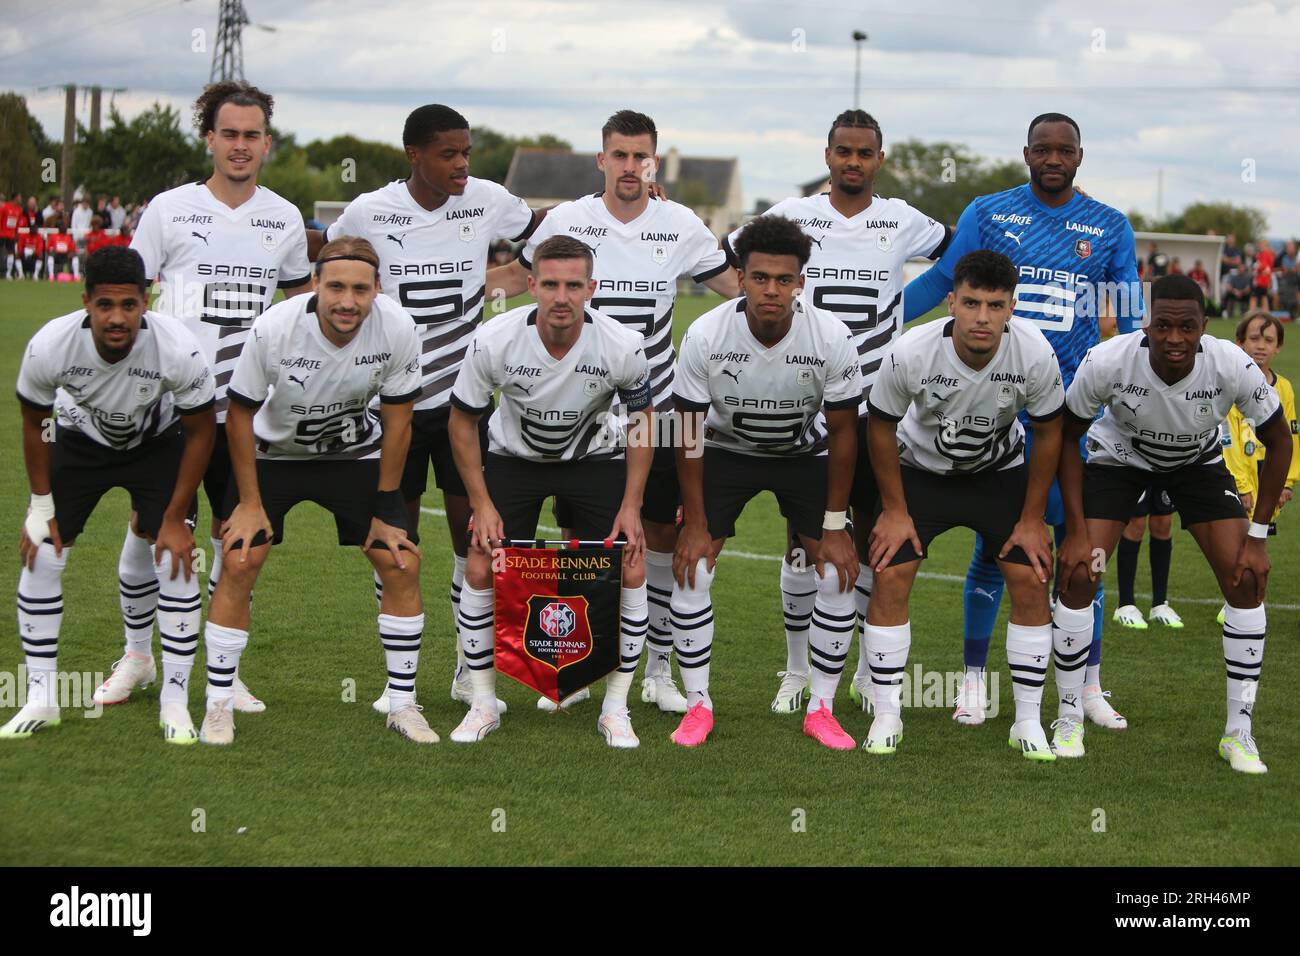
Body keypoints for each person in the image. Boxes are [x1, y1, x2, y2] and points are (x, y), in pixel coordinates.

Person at [487, 109, 738, 715]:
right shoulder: (569, 220)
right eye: (619, 155)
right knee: (586, 540)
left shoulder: (679, 223)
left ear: (654, 161)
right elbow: (523, 280)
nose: (630, 167)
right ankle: (572, 669)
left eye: (641, 156)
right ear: (601, 160)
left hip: (659, 407)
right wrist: (440, 288)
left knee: (658, 535)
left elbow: (738, 285)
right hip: (580, 410)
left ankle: (656, 670)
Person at [904, 112, 1143, 730]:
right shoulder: (990, 211)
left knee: (1080, 550)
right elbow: (941, 280)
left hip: (1077, 411)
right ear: (1027, 154)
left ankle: (1086, 682)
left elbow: (1133, 314)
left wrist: (1140, 383)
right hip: (1003, 408)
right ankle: (976, 681)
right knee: (999, 544)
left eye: (1064, 150)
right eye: (1043, 149)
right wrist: (877, 327)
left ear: (1080, 157)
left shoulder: (1110, 226)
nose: (1053, 158)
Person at [722, 109, 951, 715]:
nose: (853, 162)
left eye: (864, 153)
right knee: (806, 544)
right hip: (809, 409)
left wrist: (912, 306)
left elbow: (958, 253)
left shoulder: (902, 220)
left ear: (879, 158)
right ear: (827, 156)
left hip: (879, 410)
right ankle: (797, 671)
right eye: (843, 151)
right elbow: (722, 256)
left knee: (875, 538)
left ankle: (869, 674)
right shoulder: (792, 215)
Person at [313, 104, 538, 717]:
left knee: (478, 538)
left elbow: (543, 236)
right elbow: (333, 274)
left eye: (467, 151)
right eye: (448, 153)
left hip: (468, 405)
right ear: (415, 154)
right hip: (396, 408)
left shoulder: (489, 199)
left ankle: (469, 667)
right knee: (395, 537)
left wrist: (494, 283)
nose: (462, 163)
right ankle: (399, 674)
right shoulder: (369, 211)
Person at [97, 81, 312, 714]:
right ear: (209, 138)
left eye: (252, 136)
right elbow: (126, 294)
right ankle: (138, 656)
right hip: (171, 404)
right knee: (150, 526)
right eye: (230, 134)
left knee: (234, 537)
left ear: (266, 144)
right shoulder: (170, 209)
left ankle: (225, 665)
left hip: (246, 409)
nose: (241, 146)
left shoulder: (284, 218)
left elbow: (300, 311)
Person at [1055, 274, 1292, 772]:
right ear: (1147, 323)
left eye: (1187, 327)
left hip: (1196, 464)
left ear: (1205, 326)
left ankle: (1239, 732)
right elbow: (1067, 434)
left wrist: (1258, 534)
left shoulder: (1230, 363)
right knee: (1079, 574)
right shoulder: (1109, 360)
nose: (1175, 338)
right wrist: (1076, 530)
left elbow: (1279, 440)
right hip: (1120, 461)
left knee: (1247, 580)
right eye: (1163, 325)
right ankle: (1069, 713)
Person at [199, 236, 430, 746]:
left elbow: (398, 423)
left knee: (400, 560)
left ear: (377, 290)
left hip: (352, 456)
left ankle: (402, 703)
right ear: (315, 285)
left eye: (360, 289)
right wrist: (251, 501)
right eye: (336, 287)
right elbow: (237, 415)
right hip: (271, 456)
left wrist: (389, 504)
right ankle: (218, 704)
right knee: (239, 558)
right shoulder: (275, 329)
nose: (348, 301)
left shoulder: (398, 328)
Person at [1, 246, 216, 743]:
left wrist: (174, 516)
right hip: (77, 442)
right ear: (86, 303)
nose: (117, 318)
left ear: (146, 301)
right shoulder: (50, 346)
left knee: (175, 555)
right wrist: (40, 507)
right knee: (42, 553)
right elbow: (36, 426)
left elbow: (202, 432)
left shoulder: (177, 348)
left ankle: (175, 701)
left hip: (156, 445)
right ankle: (41, 698)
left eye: (128, 305)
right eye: (104, 306)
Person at [447, 235, 654, 747]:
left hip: (592, 461)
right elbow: (461, 420)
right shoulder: (493, 340)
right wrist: (481, 502)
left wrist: (632, 506)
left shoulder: (622, 344)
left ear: (592, 288)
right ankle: (482, 703)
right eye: (552, 284)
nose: (562, 297)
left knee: (629, 563)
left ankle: (615, 707)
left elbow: (643, 423)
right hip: (515, 461)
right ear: (533, 285)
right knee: (481, 561)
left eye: (574, 285)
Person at [669, 215, 862, 749]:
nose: (771, 290)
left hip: (804, 455)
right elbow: (686, 427)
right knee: (693, 569)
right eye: (759, 278)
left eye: (784, 278)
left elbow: (845, 434)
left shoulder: (830, 336)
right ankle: (697, 706)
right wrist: (697, 521)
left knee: (837, 574)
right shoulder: (706, 334)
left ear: (801, 281)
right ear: (741, 276)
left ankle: (821, 707)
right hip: (725, 454)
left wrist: (835, 524)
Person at [865, 250, 1065, 758]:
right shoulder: (911, 351)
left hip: (997, 476)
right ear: (951, 302)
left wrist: (1032, 518)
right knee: (891, 572)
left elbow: (1048, 432)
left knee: (1030, 574)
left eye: (995, 305)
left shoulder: (1035, 354)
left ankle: (1026, 721)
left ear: (1011, 307)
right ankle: (887, 713)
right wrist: (893, 509)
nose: (982, 317)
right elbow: (880, 424)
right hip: (921, 476)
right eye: (971, 302)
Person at [1222, 312, 1298, 537]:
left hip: (1268, 479)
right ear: (1240, 342)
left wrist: (1286, 482)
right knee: (1236, 554)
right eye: (1254, 339)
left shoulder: (1284, 388)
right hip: (1239, 484)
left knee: (1257, 551)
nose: (1261, 346)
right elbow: (1228, 441)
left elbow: (1291, 437)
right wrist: (1241, 486)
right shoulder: (1232, 385)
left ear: (1279, 346)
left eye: (1269, 340)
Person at [1111, 486, 1181, 630]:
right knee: (1136, 522)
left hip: (1164, 467)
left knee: (1163, 521)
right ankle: (1125, 604)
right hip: (1138, 466)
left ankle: (1160, 604)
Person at [0, 192, 22, 279]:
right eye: (19, 197)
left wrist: (17, 233)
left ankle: (8, 273)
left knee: (11, 253)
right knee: (2, 253)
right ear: (15, 198)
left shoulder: (19, 209)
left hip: (12, 235)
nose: (20, 199)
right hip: (2, 234)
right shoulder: (5, 207)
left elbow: (17, 223)